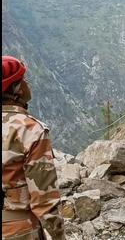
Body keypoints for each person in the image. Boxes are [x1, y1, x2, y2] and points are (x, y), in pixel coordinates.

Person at [2, 55, 65, 239]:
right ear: (16, 90)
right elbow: (44, 201)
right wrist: (59, 235)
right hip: (18, 230)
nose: (27, 84)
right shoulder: (29, 130)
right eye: (23, 80)